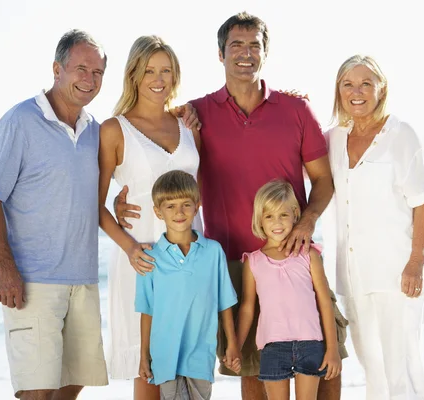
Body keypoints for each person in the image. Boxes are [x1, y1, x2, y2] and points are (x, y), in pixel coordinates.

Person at [114, 11, 349, 400]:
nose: (245, 53)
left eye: (254, 45)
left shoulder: (296, 111)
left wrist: (306, 224)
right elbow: (159, 157)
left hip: (294, 254)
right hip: (234, 262)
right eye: (236, 46)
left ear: (265, 53)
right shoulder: (194, 114)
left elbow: (323, 180)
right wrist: (126, 199)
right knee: (255, 368)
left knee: (327, 359)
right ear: (220, 54)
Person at [0, 29, 109, 399]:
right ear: (57, 69)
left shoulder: (94, 130)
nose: (89, 79)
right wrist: (5, 268)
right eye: (80, 68)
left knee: (75, 382)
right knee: (36, 391)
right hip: (33, 281)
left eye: (97, 72)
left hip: (83, 280)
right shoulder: (20, 121)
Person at [326, 54, 424, 400]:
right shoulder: (332, 139)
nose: (356, 92)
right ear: (338, 90)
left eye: (365, 84)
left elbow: (423, 202)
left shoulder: (402, 135)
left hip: (399, 273)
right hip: (354, 276)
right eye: (348, 84)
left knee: (402, 368)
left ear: (381, 88)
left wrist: (416, 260)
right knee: (372, 369)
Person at [98, 35, 203, 400]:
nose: (159, 79)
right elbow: (92, 204)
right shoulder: (114, 130)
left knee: (192, 359)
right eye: (149, 71)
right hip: (142, 256)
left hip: (191, 256)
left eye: (166, 71)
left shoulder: (188, 126)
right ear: (134, 75)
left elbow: (197, 194)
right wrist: (129, 247)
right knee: (149, 365)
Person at [135, 170, 240, 400]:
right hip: (165, 356)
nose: (179, 212)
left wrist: (232, 344)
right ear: (158, 211)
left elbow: (225, 304)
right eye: (170, 206)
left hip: (201, 354)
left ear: (197, 206)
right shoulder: (149, 258)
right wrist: (144, 355)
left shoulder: (213, 252)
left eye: (185, 204)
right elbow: (147, 311)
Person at [237, 180, 342, 400]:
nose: (277, 222)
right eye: (269, 216)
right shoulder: (253, 262)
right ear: (260, 221)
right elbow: (247, 307)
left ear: (295, 214)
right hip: (273, 347)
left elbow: (324, 303)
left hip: (311, 344)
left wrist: (332, 350)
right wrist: (235, 346)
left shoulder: (309, 255)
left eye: (283, 215)